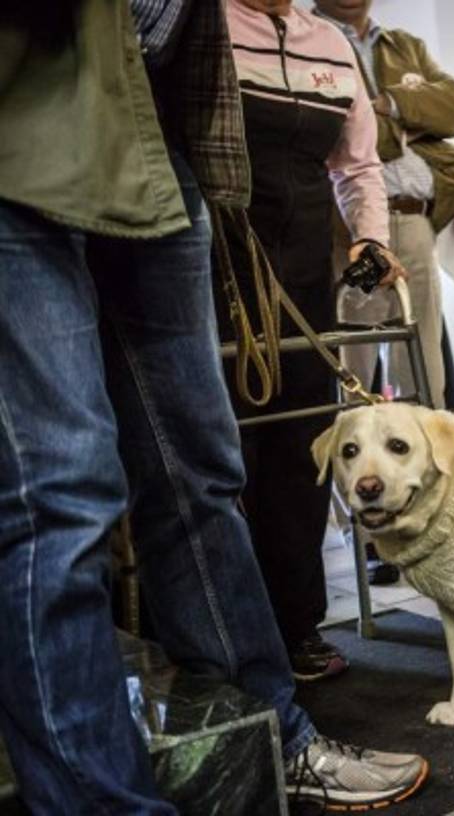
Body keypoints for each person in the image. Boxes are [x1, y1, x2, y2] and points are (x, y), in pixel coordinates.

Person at [0, 0, 425, 811]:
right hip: (21, 137)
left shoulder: (324, 40)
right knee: (60, 495)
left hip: (160, 160)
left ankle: (276, 739)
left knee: (200, 471)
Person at [221, 0, 404, 682]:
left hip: (302, 268)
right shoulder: (206, 26)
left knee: (301, 445)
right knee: (226, 456)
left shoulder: (328, 41)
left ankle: (296, 626)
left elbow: (357, 165)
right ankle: (227, 641)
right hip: (217, 258)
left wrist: (371, 237)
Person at [314, 0, 454, 412]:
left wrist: (390, 103)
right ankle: (356, 466)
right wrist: (406, 123)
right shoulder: (309, 37)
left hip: (415, 222)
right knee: (355, 350)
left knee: (421, 350)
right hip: (351, 230)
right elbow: (352, 137)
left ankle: (425, 459)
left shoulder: (404, 45)